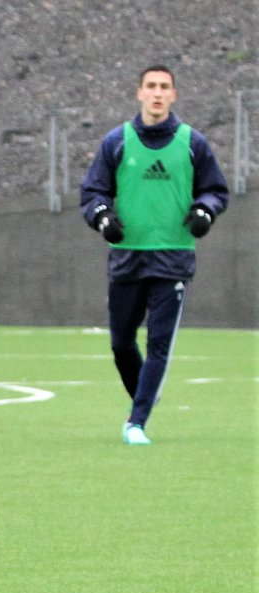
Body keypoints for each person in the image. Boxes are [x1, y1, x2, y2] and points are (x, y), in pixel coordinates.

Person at [79, 65, 227, 446]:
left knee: (159, 344)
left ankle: (136, 421)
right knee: (121, 343)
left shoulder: (193, 143)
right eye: (151, 87)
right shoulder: (117, 142)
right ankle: (147, 393)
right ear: (139, 93)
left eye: (165, 87)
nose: (158, 93)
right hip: (127, 257)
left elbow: (215, 191)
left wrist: (204, 211)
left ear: (173, 95)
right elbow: (93, 193)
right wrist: (103, 219)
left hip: (173, 259)